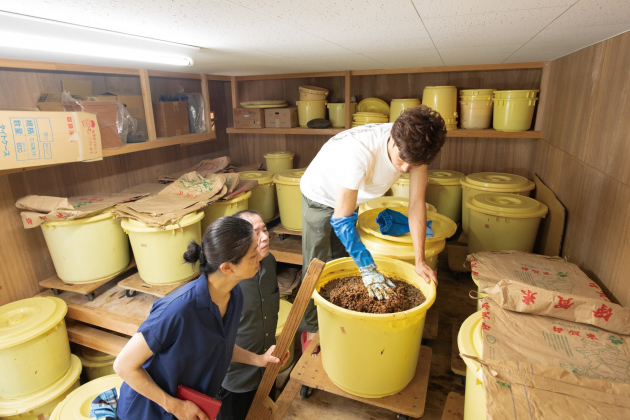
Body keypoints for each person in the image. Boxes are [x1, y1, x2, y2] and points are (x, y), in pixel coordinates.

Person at [299, 105, 446, 343]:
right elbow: (341, 219)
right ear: (393, 141)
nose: (406, 169)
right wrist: (368, 267)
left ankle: (340, 315)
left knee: (341, 259)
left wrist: (420, 260)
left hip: (352, 194)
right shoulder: (358, 153)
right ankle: (313, 328)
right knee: (317, 262)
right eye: (403, 160)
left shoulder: (416, 146)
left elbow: (417, 204)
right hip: (319, 195)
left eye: (414, 164)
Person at [114, 216, 283, 420]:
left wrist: (259, 359)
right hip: (148, 411)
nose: (259, 256)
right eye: (252, 255)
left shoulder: (234, 295)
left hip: (188, 406)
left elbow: (221, 344)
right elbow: (123, 365)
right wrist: (174, 406)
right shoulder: (178, 309)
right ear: (227, 268)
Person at [217, 210, 280, 420]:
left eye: (265, 229)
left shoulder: (269, 262)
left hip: (267, 370)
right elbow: (217, 340)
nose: (264, 237)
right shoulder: (228, 279)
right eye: (256, 233)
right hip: (236, 379)